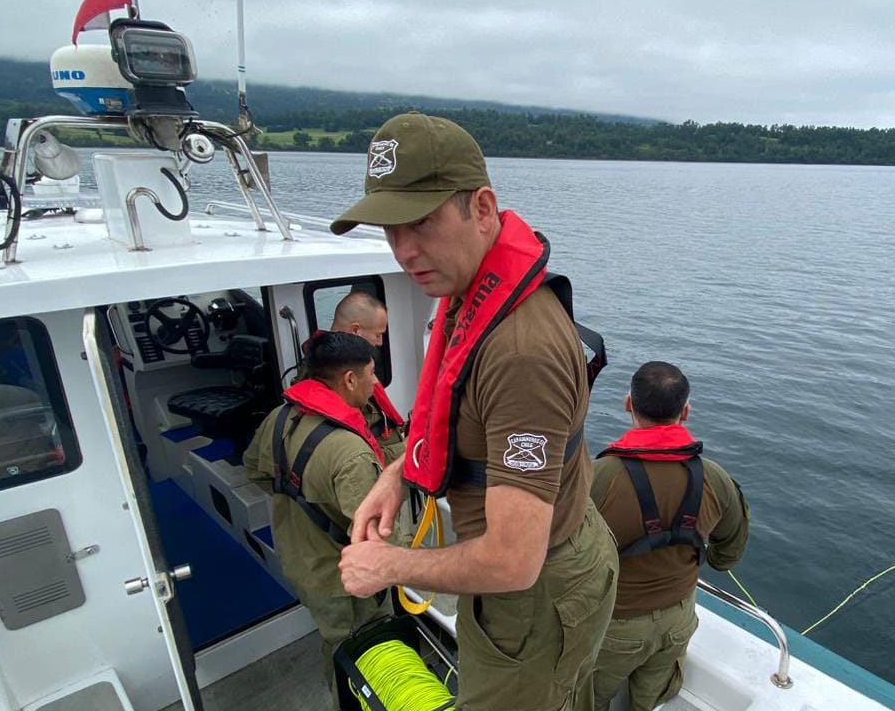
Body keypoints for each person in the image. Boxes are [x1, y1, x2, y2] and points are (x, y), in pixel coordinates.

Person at [333, 111, 617, 711]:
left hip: (536, 596)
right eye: (390, 229)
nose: (405, 251)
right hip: (551, 564)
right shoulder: (468, 290)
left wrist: (387, 565)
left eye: (422, 223)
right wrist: (395, 474)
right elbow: (453, 419)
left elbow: (513, 561)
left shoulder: (520, 353)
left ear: (482, 209)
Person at [590, 362, 750, 711]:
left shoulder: (597, 477)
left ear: (628, 404)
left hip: (614, 626)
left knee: (585, 699)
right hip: (678, 620)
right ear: (686, 411)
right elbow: (727, 556)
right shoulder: (716, 478)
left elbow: (559, 554)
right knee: (648, 702)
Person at [240, 331, 389, 702]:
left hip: (298, 559)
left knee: (331, 634)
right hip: (338, 580)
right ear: (349, 380)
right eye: (371, 373)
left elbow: (254, 470)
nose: (376, 381)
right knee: (355, 648)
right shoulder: (350, 454)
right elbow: (378, 543)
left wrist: (307, 496)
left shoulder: (280, 416)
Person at [328, 291, 407, 463]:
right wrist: (407, 448)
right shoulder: (338, 379)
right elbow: (359, 457)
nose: (380, 343)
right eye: (378, 335)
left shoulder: (353, 364)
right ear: (356, 331)